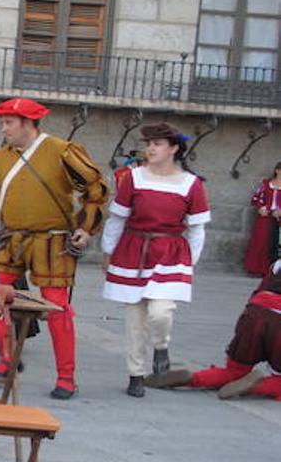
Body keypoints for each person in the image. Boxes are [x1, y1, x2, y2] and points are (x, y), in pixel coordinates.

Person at [0, 96, 108, 400]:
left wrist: (85, 229)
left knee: (57, 307)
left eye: (8, 123)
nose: (3, 128)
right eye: (2, 122)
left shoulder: (62, 151)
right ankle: (8, 359)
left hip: (53, 240)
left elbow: (96, 189)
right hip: (9, 238)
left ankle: (66, 378)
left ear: (28, 123)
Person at [102, 123, 209, 397]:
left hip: (170, 253)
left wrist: (189, 263)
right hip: (133, 250)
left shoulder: (191, 184)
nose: (150, 148)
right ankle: (136, 374)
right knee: (134, 320)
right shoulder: (134, 178)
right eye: (148, 143)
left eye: (158, 144)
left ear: (174, 149)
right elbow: (117, 219)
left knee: (161, 311)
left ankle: (162, 346)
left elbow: (197, 229)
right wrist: (108, 252)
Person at [149, 259, 281, 400]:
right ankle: (256, 386)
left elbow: (259, 292)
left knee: (235, 371)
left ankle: (193, 378)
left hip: (256, 310)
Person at [244, 163, 281, 276]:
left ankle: (271, 271)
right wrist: (260, 208)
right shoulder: (266, 184)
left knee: (274, 243)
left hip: (278, 218)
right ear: (277, 170)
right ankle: (255, 268)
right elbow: (256, 198)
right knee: (260, 241)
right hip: (265, 217)